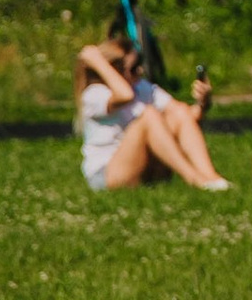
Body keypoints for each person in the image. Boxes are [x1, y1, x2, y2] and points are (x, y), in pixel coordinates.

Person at [74, 37, 231, 193]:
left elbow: (186, 117)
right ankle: (194, 179)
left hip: (140, 167)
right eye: (134, 67)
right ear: (114, 70)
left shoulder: (140, 87)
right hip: (107, 174)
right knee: (149, 115)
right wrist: (99, 63)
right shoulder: (94, 94)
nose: (140, 71)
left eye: (140, 63)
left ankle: (211, 177)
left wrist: (203, 103)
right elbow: (125, 95)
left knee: (180, 110)